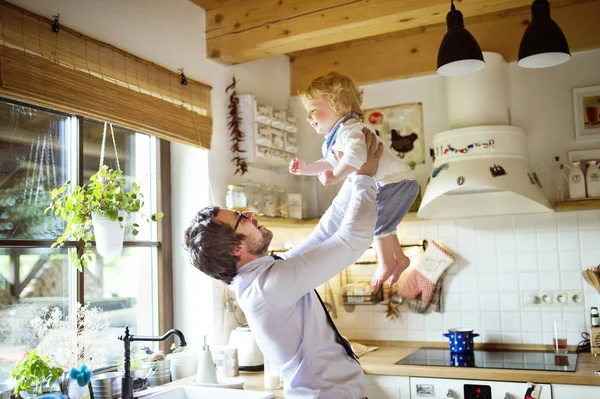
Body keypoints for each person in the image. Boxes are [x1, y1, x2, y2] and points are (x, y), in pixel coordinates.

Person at [184, 131, 383, 398]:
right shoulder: (268, 287)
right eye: (241, 217)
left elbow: (325, 233)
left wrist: (353, 171)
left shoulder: (264, 277)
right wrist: (363, 178)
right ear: (236, 248)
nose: (251, 213)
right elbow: (352, 240)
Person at [290, 71, 418, 288]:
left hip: (394, 182)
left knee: (379, 224)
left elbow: (355, 157)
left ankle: (386, 262)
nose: (308, 118)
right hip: (395, 182)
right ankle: (400, 258)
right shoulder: (338, 136)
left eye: (313, 110)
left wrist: (334, 177)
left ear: (338, 106)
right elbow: (330, 161)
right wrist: (306, 169)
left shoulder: (352, 131)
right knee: (386, 225)